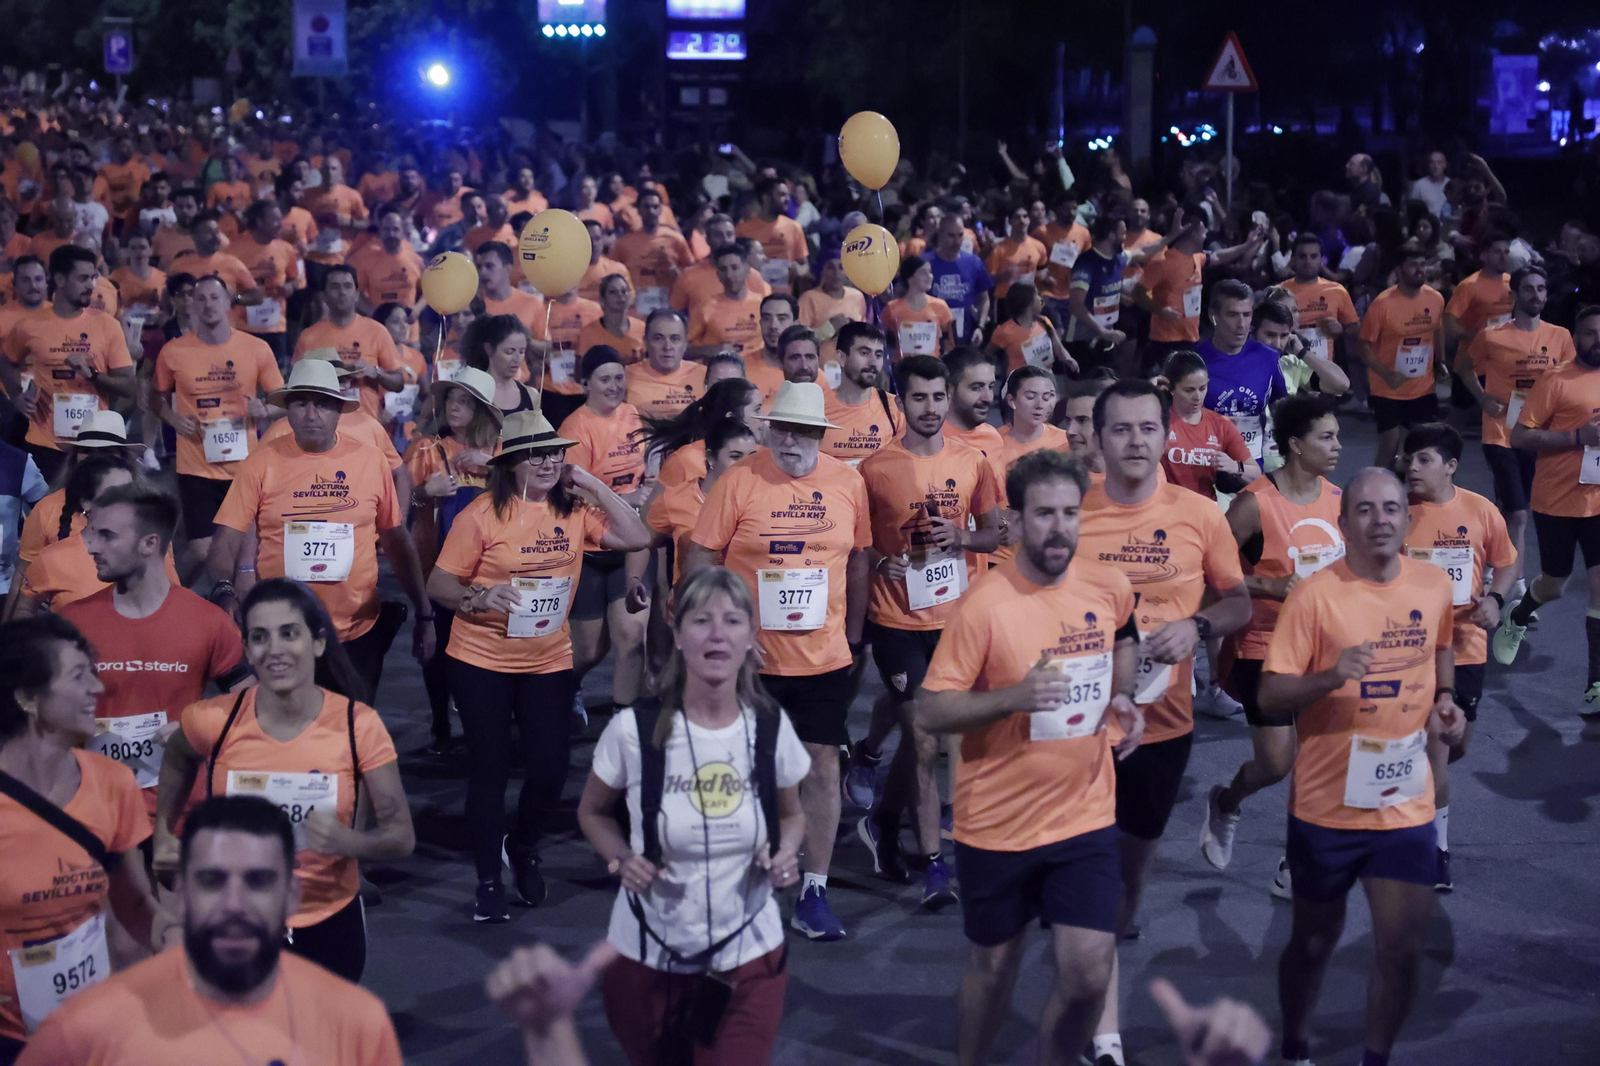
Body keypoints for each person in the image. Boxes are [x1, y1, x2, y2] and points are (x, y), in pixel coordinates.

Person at [916, 447, 1144, 1066]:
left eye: (1070, 513)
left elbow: (1120, 644)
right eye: (1044, 514)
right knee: (994, 969)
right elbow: (930, 712)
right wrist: (1014, 697)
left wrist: (1121, 701)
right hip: (997, 825)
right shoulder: (984, 606)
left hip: (1085, 816)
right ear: (1015, 522)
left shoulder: (1109, 585)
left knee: (1089, 974)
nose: (1059, 528)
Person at [1260, 467, 1463, 1066]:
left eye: (1392, 509)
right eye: (1367, 510)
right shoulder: (1315, 596)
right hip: (1328, 809)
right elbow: (1270, 695)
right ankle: (1295, 1044)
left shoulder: (1430, 585)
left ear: (1407, 518)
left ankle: (1376, 1057)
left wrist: (1447, 703)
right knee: (1314, 942)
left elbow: (1442, 644)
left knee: (1401, 951)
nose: (1381, 520)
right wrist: (1330, 677)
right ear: (1345, 522)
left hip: (1405, 804)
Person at [1075, 379, 1250, 1065]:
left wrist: (1196, 623)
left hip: (1168, 722)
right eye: (1121, 430)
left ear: (1166, 434)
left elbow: (1237, 604)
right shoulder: (1072, 511)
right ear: (1098, 436)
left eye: (1149, 429)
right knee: (1094, 869)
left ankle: (1110, 931)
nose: (1137, 442)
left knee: (1134, 860)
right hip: (1084, 724)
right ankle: (1104, 1029)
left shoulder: (1199, 516)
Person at [576, 566, 807, 1066]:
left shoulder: (769, 727)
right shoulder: (632, 731)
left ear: (751, 636)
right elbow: (593, 811)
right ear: (677, 635)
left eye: (732, 620)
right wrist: (619, 858)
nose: (718, 634)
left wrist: (788, 853)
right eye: (701, 620)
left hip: (748, 960)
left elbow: (793, 815)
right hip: (645, 959)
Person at [426, 410, 651, 921]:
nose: (548, 461)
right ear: (511, 463)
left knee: (550, 768)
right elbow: (440, 586)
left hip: (547, 658)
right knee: (491, 769)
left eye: (554, 452)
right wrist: (481, 595)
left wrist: (591, 481)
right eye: (535, 453)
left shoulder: (573, 511)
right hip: (480, 659)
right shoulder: (480, 516)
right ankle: (488, 880)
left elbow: (638, 537)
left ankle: (523, 846)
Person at [154, 579, 414, 983]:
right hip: (236, 920)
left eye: (289, 633)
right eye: (259, 637)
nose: (274, 649)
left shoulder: (358, 725)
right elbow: (176, 755)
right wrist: (163, 833)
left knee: (318, 1042)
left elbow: (401, 836)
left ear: (318, 643)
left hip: (327, 920)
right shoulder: (213, 720)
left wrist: (352, 844)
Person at [686, 381, 871, 941]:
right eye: (783, 429)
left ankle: (814, 892)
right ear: (769, 430)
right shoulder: (738, 482)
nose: (792, 440)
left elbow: (859, 560)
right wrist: (728, 632)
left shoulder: (848, 483)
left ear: (821, 434)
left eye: (804, 431)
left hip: (823, 658)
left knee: (821, 768)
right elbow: (700, 562)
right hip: (751, 662)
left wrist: (855, 637)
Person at [21, 795, 403, 1065]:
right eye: (212, 881)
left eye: (257, 881)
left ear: (290, 895)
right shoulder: (85, 1029)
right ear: (181, 892)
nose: (234, 904)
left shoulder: (357, 1025)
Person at [853, 355, 1001, 905]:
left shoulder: (973, 461)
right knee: (922, 736)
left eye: (939, 397)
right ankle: (936, 864)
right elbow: (856, 544)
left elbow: (992, 534)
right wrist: (877, 564)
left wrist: (963, 540)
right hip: (896, 622)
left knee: (932, 741)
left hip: (955, 622)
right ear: (901, 401)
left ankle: (883, 823)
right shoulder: (875, 469)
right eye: (920, 398)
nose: (932, 408)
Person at [208, 359, 434, 696]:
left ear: (340, 409)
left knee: (349, 734)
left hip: (356, 633)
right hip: (281, 634)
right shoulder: (261, 462)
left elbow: (396, 539)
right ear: (288, 409)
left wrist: (425, 613)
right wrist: (224, 590)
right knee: (286, 738)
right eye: (301, 402)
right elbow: (227, 536)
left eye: (323, 403)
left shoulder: (370, 460)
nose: (312, 413)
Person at [0, 614, 162, 1058]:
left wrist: (189, 946)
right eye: (78, 675)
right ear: (29, 698)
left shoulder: (113, 782)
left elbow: (133, 907)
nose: (98, 687)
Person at [1201, 394, 1344, 896]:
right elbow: (1212, 572)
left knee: (1320, 756)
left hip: (1322, 648)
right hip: (1262, 645)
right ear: (1295, 445)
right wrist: (1267, 586)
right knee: (1276, 763)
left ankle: (1293, 863)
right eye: (1326, 437)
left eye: (1337, 436)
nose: (1337, 446)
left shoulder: (1337, 499)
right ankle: (1227, 802)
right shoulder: (1255, 503)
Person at [60, 483, 248, 818]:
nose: (91, 547)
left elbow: (252, 702)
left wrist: (199, 726)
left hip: (179, 816)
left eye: (107, 536)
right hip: (92, 813)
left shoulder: (208, 622)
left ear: (150, 543)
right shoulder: (70, 622)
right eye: (93, 534)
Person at [1401, 422, 1516, 893]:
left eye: (1423, 459)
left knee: (1456, 745)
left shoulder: (1481, 511)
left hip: (1467, 646)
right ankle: (1435, 852)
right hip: (1410, 649)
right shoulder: (1396, 512)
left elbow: (1505, 562)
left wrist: (1496, 599)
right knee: (1437, 754)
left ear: (1450, 466)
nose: (1411, 467)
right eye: (1408, 458)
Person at [1496, 305, 1600, 707]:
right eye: (1590, 333)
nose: (1597, 339)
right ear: (1577, 336)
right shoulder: (1555, 381)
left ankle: (1594, 685)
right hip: (1557, 500)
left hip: (1598, 502)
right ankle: (1518, 617)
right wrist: (1578, 436)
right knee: (1555, 585)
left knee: (1597, 588)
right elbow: (1521, 437)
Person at [154, 273, 284, 575]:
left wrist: (264, 408)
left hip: (245, 467)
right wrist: (173, 419)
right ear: (191, 305)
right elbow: (155, 398)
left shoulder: (256, 349)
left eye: (214, 297)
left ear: (228, 302)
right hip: (195, 465)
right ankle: (172, 597)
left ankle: (228, 611)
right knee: (202, 551)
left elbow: (283, 399)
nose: (207, 304)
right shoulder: (173, 352)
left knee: (243, 554)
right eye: (200, 298)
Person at [405, 366, 502, 753]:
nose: (455, 407)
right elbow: (400, 508)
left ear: (481, 410)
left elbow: (531, 493)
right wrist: (424, 491)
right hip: (438, 563)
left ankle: (483, 722)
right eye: (451, 399)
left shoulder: (501, 450)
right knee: (438, 646)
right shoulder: (426, 449)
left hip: (493, 566)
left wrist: (492, 465)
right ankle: (441, 721)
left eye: (465, 401)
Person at [1458, 266, 1574, 577]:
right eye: (1528, 289)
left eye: (1540, 289)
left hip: (1540, 435)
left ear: (1546, 294)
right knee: (1520, 515)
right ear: (1514, 295)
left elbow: (1571, 381)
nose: (1535, 295)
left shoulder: (1560, 337)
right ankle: (1516, 585)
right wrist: (1482, 398)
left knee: (1510, 508)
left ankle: (1488, 559)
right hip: (1501, 434)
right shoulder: (1492, 336)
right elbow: (1464, 367)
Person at [560, 348, 654, 713]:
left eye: (619, 377)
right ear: (585, 383)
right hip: (590, 548)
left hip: (631, 546)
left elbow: (651, 471)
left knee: (632, 639)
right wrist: (628, 496)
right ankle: (562, 688)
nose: (614, 386)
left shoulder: (635, 416)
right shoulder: (575, 428)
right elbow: (574, 490)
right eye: (604, 379)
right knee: (589, 650)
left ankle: (622, 719)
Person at [0, 246, 136, 482]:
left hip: (94, 442)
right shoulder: (29, 326)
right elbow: (6, 360)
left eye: (93, 277)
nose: (91, 285)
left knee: (91, 514)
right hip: (44, 441)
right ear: (60, 279)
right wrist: (16, 395)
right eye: (83, 278)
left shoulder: (108, 325)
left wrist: (92, 375)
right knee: (48, 514)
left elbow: (128, 386)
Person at [1135, 212, 1262, 373]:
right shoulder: (1163, 262)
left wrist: (1248, 245)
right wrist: (1160, 310)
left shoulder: (1196, 258)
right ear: (1194, 234)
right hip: (1165, 340)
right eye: (1203, 231)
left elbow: (1217, 256)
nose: (1206, 235)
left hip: (1191, 338)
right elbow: (1138, 293)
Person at [1358, 243, 1446, 472]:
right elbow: (1364, 347)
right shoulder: (1382, 304)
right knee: (1389, 446)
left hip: (1423, 387)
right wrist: (1386, 374)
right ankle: (1378, 493)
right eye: (1413, 265)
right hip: (1388, 389)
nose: (1420, 269)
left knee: (1425, 447)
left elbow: (1438, 330)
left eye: (1423, 264)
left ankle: (1416, 492)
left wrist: (1441, 362)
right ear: (1399, 271)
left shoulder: (1435, 299)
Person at [1195, 279, 1289, 472]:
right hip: (1204, 471)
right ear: (1214, 316)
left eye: (1247, 315)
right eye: (1232, 315)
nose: (1241, 324)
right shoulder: (1193, 360)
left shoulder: (1269, 358)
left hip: (1252, 470)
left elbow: (1281, 406)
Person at [293, 265, 405, 423]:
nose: (342, 293)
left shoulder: (377, 331)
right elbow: (295, 387)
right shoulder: (308, 337)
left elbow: (399, 383)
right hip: (322, 425)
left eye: (348, 286)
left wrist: (376, 372)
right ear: (324, 296)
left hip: (366, 423)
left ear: (357, 294)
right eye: (335, 287)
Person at [991, 365, 1070, 567]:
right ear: (1012, 401)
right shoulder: (991, 444)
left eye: (1048, 396)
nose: (1040, 404)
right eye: (1031, 396)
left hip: (1049, 553)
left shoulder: (1066, 443)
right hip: (1001, 556)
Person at [1159, 350, 1256, 501]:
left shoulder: (1221, 424)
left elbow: (1257, 474)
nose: (1197, 397)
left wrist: (1233, 466)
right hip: (1165, 509)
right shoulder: (1157, 421)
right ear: (1171, 389)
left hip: (1205, 511)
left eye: (1202, 388)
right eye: (1189, 390)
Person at [644, 377, 765, 493]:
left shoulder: (764, 455)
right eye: (757, 409)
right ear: (731, 417)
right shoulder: (685, 460)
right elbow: (653, 511)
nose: (764, 416)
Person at [231, 198, 302, 365]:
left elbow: (295, 279)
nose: (280, 224)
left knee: (276, 378)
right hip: (243, 327)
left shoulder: (285, 248)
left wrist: (289, 287)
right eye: (275, 220)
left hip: (275, 327)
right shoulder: (233, 250)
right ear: (260, 221)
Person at [819, 321, 898, 466]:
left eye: (879, 355)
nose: (873, 362)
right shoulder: (818, 408)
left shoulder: (895, 408)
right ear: (842, 358)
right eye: (864, 353)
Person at [1280, 234, 1360, 372]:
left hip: (1326, 374)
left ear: (1322, 260)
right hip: (1289, 371)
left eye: (1313, 256)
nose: (1308, 261)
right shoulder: (1278, 292)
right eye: (1302, 256)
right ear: (1292, 260)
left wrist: (1341, 329)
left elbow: (1356, 329)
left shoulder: (1337, 291)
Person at [1063, 211, 1128, 373]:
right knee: (1082, 393)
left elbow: (1144, 251)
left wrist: (1171, 237)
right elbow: (1076, 306)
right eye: (1123, 233)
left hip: (1106, 337)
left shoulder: (1117, 258)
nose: (1125, 237)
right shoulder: (1086, 263)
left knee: (1108, 386)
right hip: (1081, 339)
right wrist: (1102, 330)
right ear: (1112, 236)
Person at [612, 188, 693, 316]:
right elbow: (613, 276)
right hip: (635, 309)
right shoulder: (623, 243)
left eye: (655, 207)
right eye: (646, 206)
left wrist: (674, 271)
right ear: (638, 210)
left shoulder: (675, 239)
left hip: (669, 306)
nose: (651, 211)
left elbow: (690, 274)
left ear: (661, 209)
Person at [686, 244, 767, 364]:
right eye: (723, 269)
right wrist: (709, 350)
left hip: (759, 375)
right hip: (722, 375)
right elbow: (682, 349)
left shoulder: (763, 304)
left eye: (734, 268)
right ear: (718, 275)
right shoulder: (705, 308)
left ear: (747, 270)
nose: (729, 275)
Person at [1443, 230, 1515, 362]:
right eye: (1497, 252)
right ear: (1484, 255)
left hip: (1498, 363)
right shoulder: (1469, 285)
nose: (1503, 257)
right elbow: (1449, 323)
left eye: (1506, 252)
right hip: (1470, 364)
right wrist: (1478, 337)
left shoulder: (1511, 282)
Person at [625, 308, 706, 420]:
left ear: (685, 344)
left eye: (675, 339)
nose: (667, 347)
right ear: (646, 342)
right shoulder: (626, 378)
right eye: (658, 338)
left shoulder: (704, 376)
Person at [926, 213, 994, 345]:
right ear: (940, 234)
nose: (956, 241)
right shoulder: (925, 263)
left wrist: (980, 327)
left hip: (966, 335)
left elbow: (984, 299)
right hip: (932, 336)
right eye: (951, 235)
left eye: (960, 235)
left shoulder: (973, 262)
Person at [735, 177, 809, 295]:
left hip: (783, 298)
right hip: (752, 295)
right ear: (765, 197)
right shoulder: (742, 229)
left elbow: (804, 265)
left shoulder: (794, 227)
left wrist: (799, 271)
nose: (787, 199)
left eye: (788, 195)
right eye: (782, 195)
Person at [987, 283, 1074, 376]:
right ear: (1026, 302)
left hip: (1045, 378)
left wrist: (1068, 359)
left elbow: (1058, 346)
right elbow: (987, 354)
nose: (1041, 299)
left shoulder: (1044, 321)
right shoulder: (1005, 331)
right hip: (1020, 382)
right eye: (1037, 295)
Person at [882, 255, 955, 357]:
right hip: (903, 369)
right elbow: (879, 340)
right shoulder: (891, 308)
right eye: (923, 273)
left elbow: (950, 342)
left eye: (930, 272)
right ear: (910, 277)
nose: (929, 276)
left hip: (932, 369)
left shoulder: (941, 306)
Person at [577, 273, 646, 364]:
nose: (620, 296)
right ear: (602, 299)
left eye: (624, 291)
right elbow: (581, 373)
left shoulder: (642, 328)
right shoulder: (588, 333)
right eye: (613, 292)